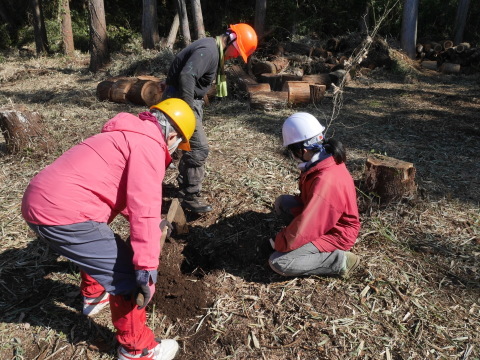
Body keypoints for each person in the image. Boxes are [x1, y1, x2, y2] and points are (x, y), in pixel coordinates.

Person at [21, 98, 196, 360]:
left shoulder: (123, 135)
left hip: (40, 201)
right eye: (177, 145)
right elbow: (144, 211)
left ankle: (93, 296)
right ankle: (138, 349)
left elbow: (115, 190)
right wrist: (146, 270)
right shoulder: (149, 147)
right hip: (63, 212)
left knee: (98, 240)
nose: (174, 150)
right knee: (126, 272)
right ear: (172, 135)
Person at [162, 23, 258, 213]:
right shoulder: (209, 50)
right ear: (232, 41)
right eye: (237, 52)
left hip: (181, 100)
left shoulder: (211, 48)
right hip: (181, 102)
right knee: (199, 148)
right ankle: (190, 196)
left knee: (178, 147)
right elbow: (187, 76)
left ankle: (180, 185)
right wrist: (189, 110)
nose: (235, 56)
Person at [268, 112, 361, 278]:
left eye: (291, 150)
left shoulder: (325, 180)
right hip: (326, 218)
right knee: (283, 203)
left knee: (278, 261)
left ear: (302, 150)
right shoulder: (322, 160)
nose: (292, 155)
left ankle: (340, 261)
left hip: (337, 232)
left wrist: (281, 241)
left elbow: (311, 223)